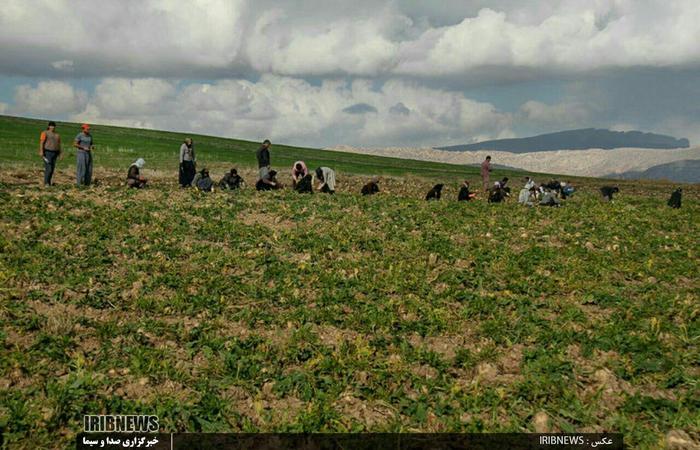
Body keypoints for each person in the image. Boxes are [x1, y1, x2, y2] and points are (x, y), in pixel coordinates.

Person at [39, 121, 61, 186]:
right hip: (47, 152)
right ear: (49, 126)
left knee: (52, 169)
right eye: (51, 126)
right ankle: (46, 183)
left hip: (55, 152)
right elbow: (42, 142)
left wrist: (60, 153)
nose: (52, 127)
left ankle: (49, 182)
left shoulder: (57, 135)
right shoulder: (45, 133)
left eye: (53, 126)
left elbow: (59, 144)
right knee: (49, 168)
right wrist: (41, 151)